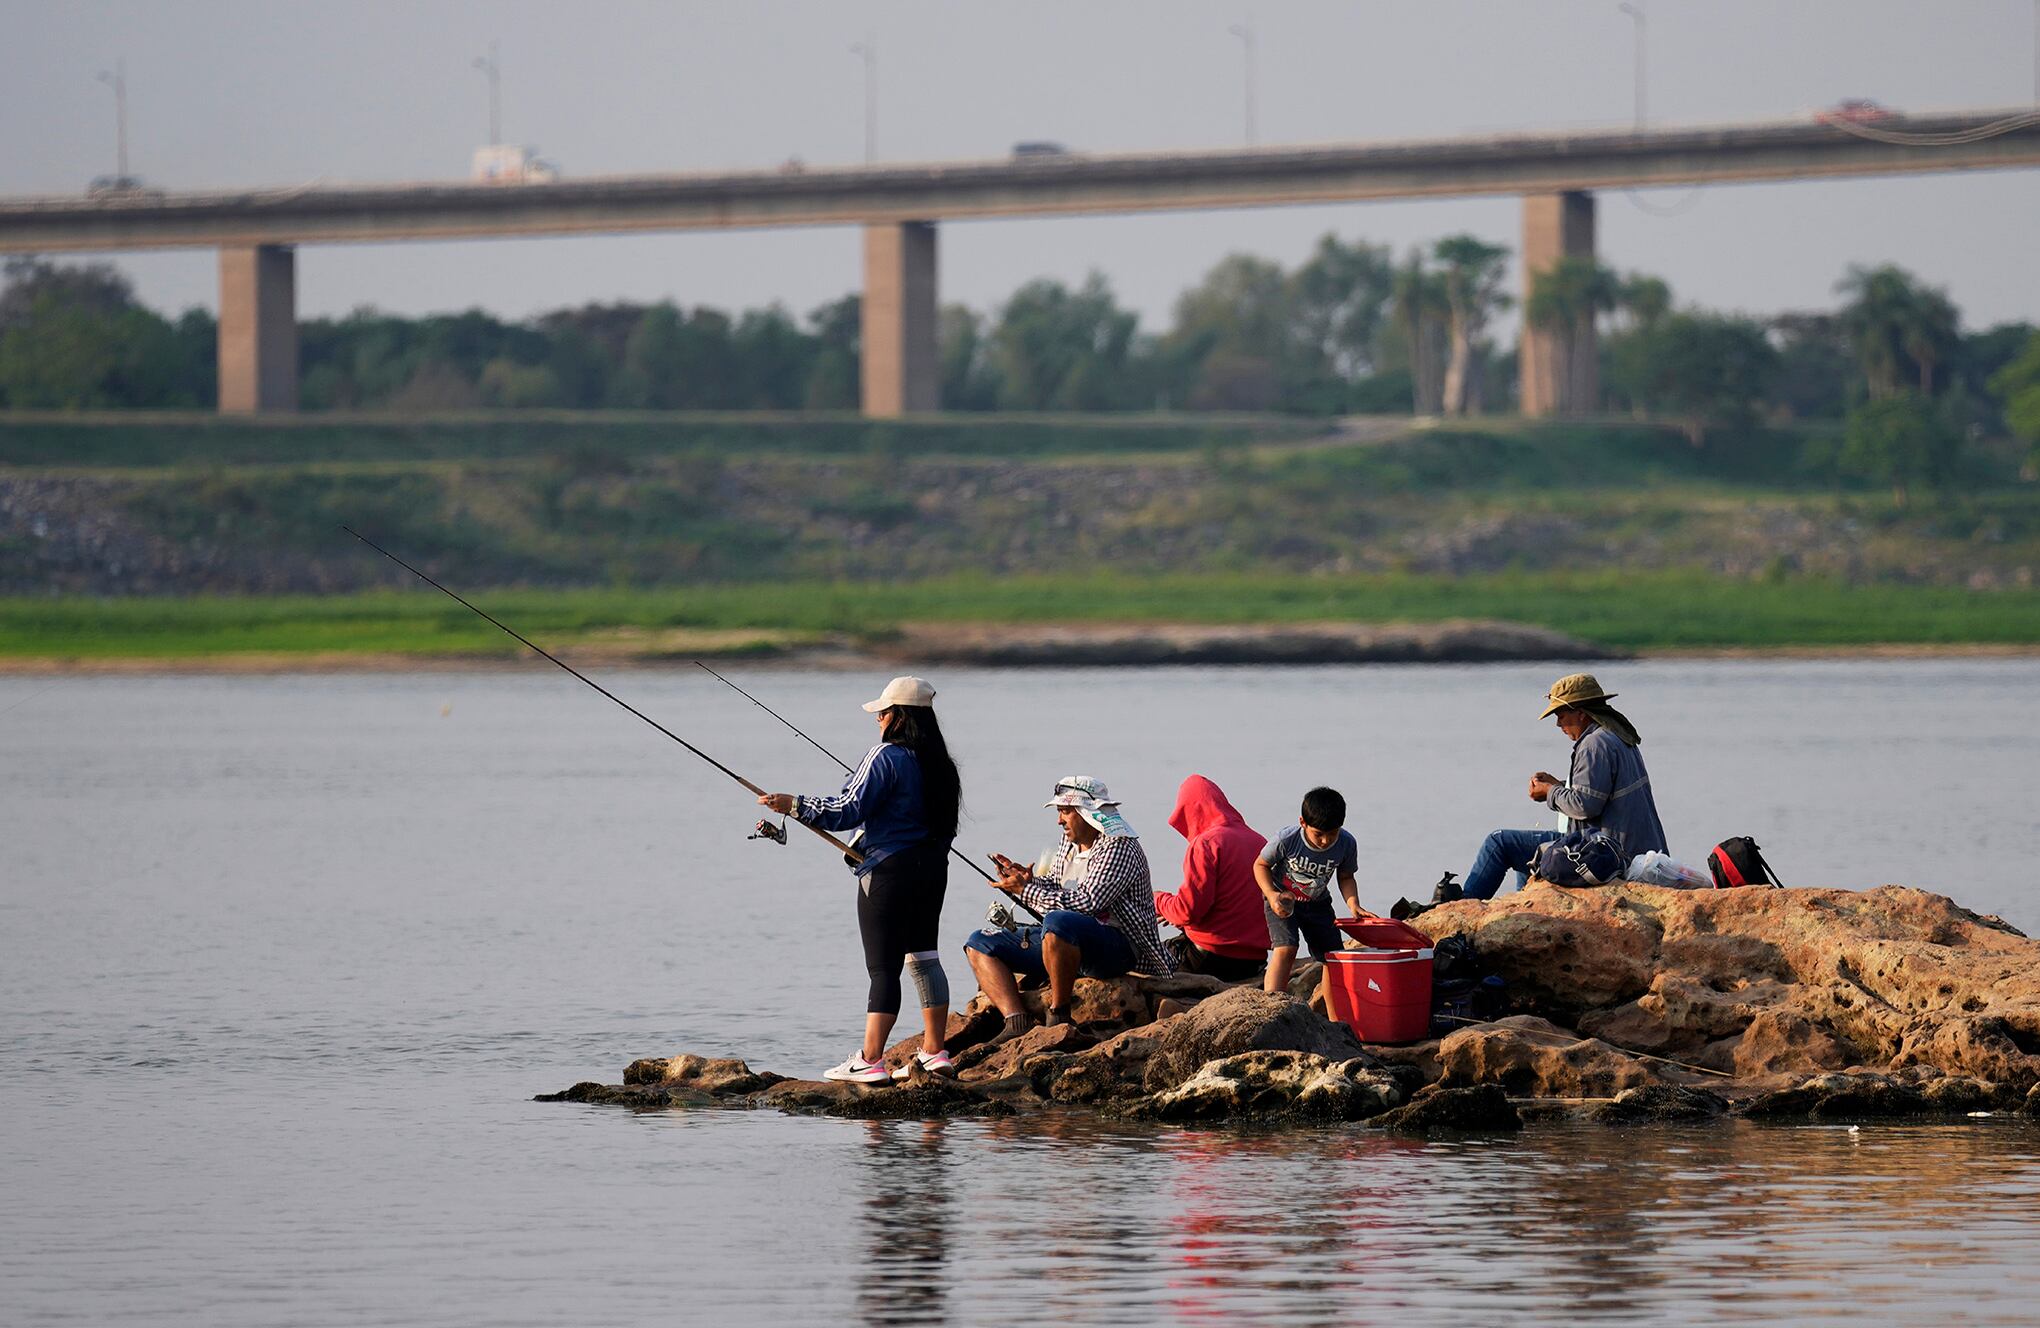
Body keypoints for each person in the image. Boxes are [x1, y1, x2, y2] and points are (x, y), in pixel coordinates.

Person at [757, 675, 962, 1085]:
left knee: (883, 968)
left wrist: (793, 805)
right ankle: (935, 1052)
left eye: (883, 713)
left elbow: (848, 810)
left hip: (887, 873)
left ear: (899, 717)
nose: (878, 720)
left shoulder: (885, 756)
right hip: (932, 871)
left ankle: (870, 1060)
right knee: (925, 957)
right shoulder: (942, 766)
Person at [964, 775, 1174, 1046]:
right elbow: (1056, 885)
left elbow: (1088, 902)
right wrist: (1026, 880)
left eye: (1065, 812)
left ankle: (1059, 1013)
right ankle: (1015, 1020)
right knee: (979, 942)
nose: (1059, 820)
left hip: (1118, 947)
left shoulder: (1120, 846)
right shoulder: (1069, 843)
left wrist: (1025, 892)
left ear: (1087, 813)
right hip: (1064, 937)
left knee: (1057, 921)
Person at [1458, 672, 1669, 901]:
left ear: (1580, 713)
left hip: (1609, 855)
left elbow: (1585, 806)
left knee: (1499, 842)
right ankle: (1527, 905)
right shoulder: (1615, 734)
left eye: (1560, 714)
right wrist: (1558, 785)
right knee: (1529, 858)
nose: (1558, 723)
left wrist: (1549, 792)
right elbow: (1598, 796)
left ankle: (1460, 908)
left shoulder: (1593, 744)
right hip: (1632, 849)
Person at [1153, 774, 1269, 982]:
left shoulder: (1207, 844)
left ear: (1190, 812)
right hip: (1254, 961)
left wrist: (1159, 901)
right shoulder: (1260, 841)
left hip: (1210, 958)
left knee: (1137, 960)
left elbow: (1188, 910)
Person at [1254, 786, 1363, 997]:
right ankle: (1272, 1005)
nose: (1325, 841)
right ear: (1303, 823)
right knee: (1286, 948)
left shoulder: (1347, 844)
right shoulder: (1287, 839)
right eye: (1318, 834)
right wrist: (1271, 894)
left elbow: (1346, 877)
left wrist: (1353, 905)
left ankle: (1334, 1019)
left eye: (1332, 834)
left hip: (1318, 903)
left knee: (1333, 958)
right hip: (1283, 899)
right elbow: (1260, 865)